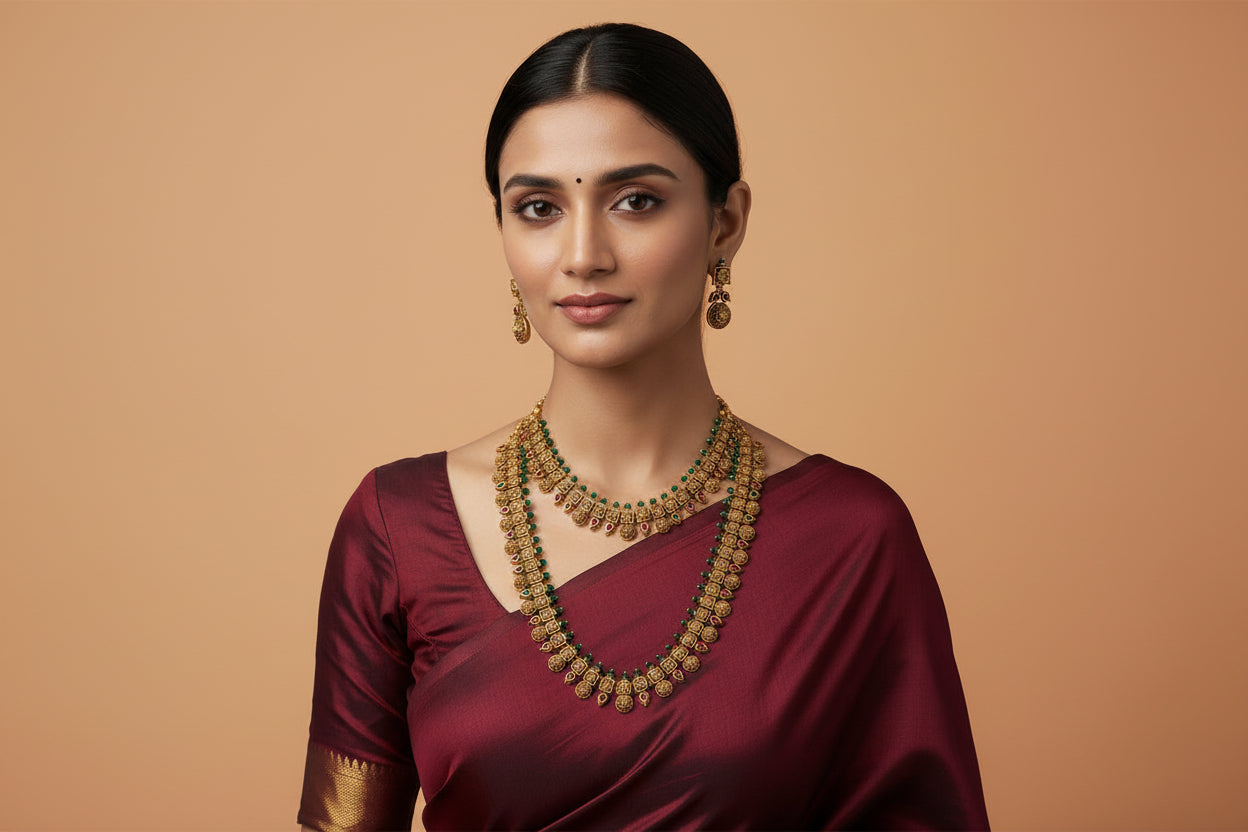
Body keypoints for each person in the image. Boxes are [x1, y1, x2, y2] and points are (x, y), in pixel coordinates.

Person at [298, 22, 989, 831]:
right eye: (539, 207)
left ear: (725, 223)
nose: (583, 254)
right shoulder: (398, 528)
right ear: (503, 231)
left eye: (636, 201)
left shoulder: (851, 539)